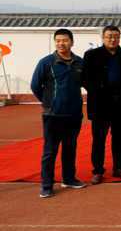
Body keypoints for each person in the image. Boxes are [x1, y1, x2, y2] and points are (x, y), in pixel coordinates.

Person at [31, 29, 86, 198]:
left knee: (70, 148)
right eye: (58, 41)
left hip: (74, 114)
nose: (61, 43)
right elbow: (35, 86)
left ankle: (68, 178)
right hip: (53, 115)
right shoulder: (46, 62)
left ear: (72, 42)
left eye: (65, 40)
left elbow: (85, 83)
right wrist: (49, 102)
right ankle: (46, 185)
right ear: (55, 42)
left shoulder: (79, 63)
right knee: (50, 151)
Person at [82, 25, 121, 185]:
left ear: (120, 38)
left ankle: (119, 168)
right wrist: (98, 90)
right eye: (109, 36)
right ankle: (97, 171)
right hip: (100, 105)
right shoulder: (91, 55)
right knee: (99, 140)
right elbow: (84, 79)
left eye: (116, 36)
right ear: (103, 38)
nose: (112, 39)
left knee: (120, 139)